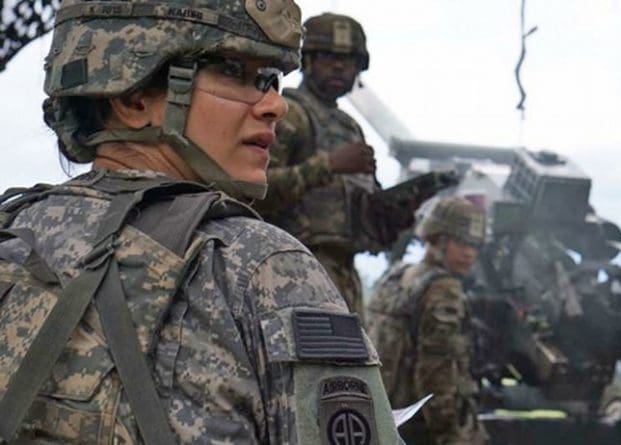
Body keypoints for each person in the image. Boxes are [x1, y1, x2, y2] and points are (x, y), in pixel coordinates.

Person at [0, 0, 400, 443]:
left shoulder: (11, 231)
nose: (274, 106)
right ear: (134, 99)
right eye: (234, 72)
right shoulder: (261, 267)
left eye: (271, 81)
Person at [252, 12, 389, 321]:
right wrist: (328, 165)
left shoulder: (348, 126)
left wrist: (388, 215)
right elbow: (255, 189)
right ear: (309, 60)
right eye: (329, 57)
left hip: (343, 270)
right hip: (294, 265)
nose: (340, 66)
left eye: (348, 60)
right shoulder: (290, 113)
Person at [366, 196, 489, 445]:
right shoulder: (444, 289)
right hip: (424, 428)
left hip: (384, 418)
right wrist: (452, 435)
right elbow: (436, 375)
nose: (469, 254)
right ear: (437, 239)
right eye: (461, 242)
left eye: (474, 246)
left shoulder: (396, 276)